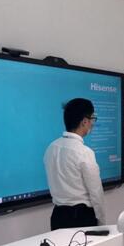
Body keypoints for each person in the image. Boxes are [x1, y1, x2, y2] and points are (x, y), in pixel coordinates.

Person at [43, 98, 105, 230]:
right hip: (81, 218)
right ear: (84, 121)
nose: (93, 123)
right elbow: (96, 193)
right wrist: (101, 221)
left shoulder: (51, 148)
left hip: (58, 216)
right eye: (92, 119)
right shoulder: (84, 152)